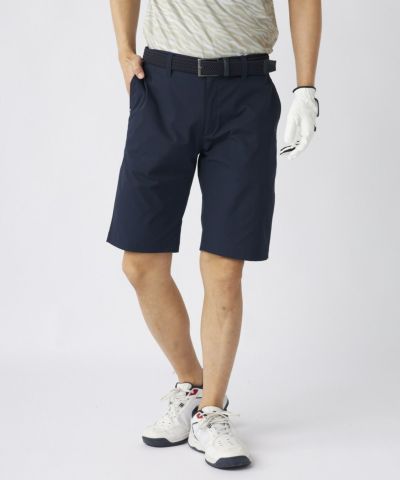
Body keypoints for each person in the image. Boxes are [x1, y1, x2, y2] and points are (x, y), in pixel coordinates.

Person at [107, 0, 321, 470]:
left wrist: (306, 88)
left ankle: (211, 411)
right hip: (162, 86)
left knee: (224, 267)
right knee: (139, 263)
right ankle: (192, 381)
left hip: (245, 91)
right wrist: (124, 49)